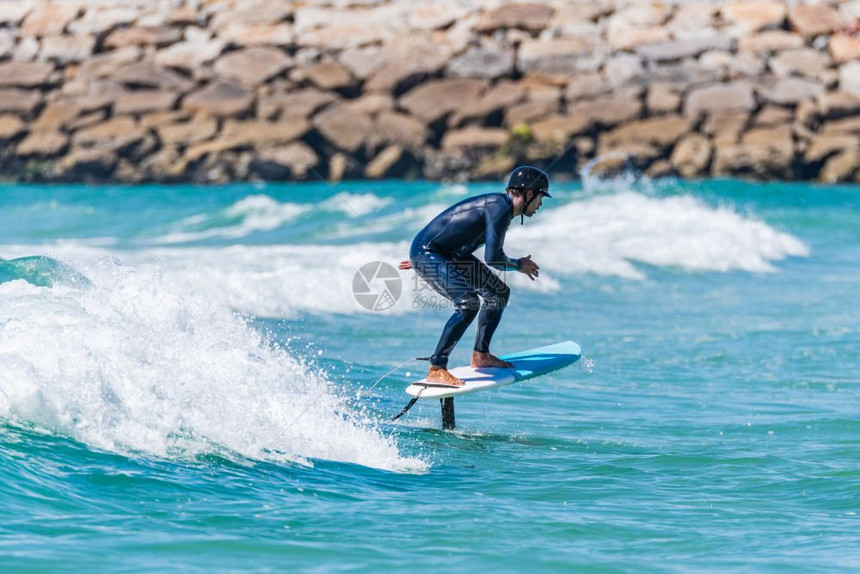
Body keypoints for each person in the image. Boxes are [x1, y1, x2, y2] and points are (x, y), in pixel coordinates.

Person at [399, 166, 551, 386]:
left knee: (498, 293)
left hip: (447, 252)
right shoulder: (499, 207)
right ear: (528, 193)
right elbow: (493, 257)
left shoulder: (501, 209)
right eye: (540, 197)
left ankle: (481, 355)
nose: (541, 204)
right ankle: (437, 367)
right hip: (430, 251)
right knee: (468, 302)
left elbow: (456, 232)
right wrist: (519, 265)